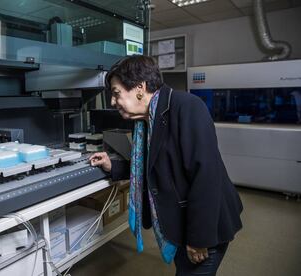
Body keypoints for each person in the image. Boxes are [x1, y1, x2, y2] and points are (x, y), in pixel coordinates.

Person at [89, 55, 243, 276]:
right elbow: (151, 167)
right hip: (181, 224)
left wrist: (199, 239)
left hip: (206, 229)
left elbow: (206, 176)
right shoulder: (146, 120)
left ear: (139, 87)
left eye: (116, 93)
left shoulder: (187, 107)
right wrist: (112, 166)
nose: (113, 102)